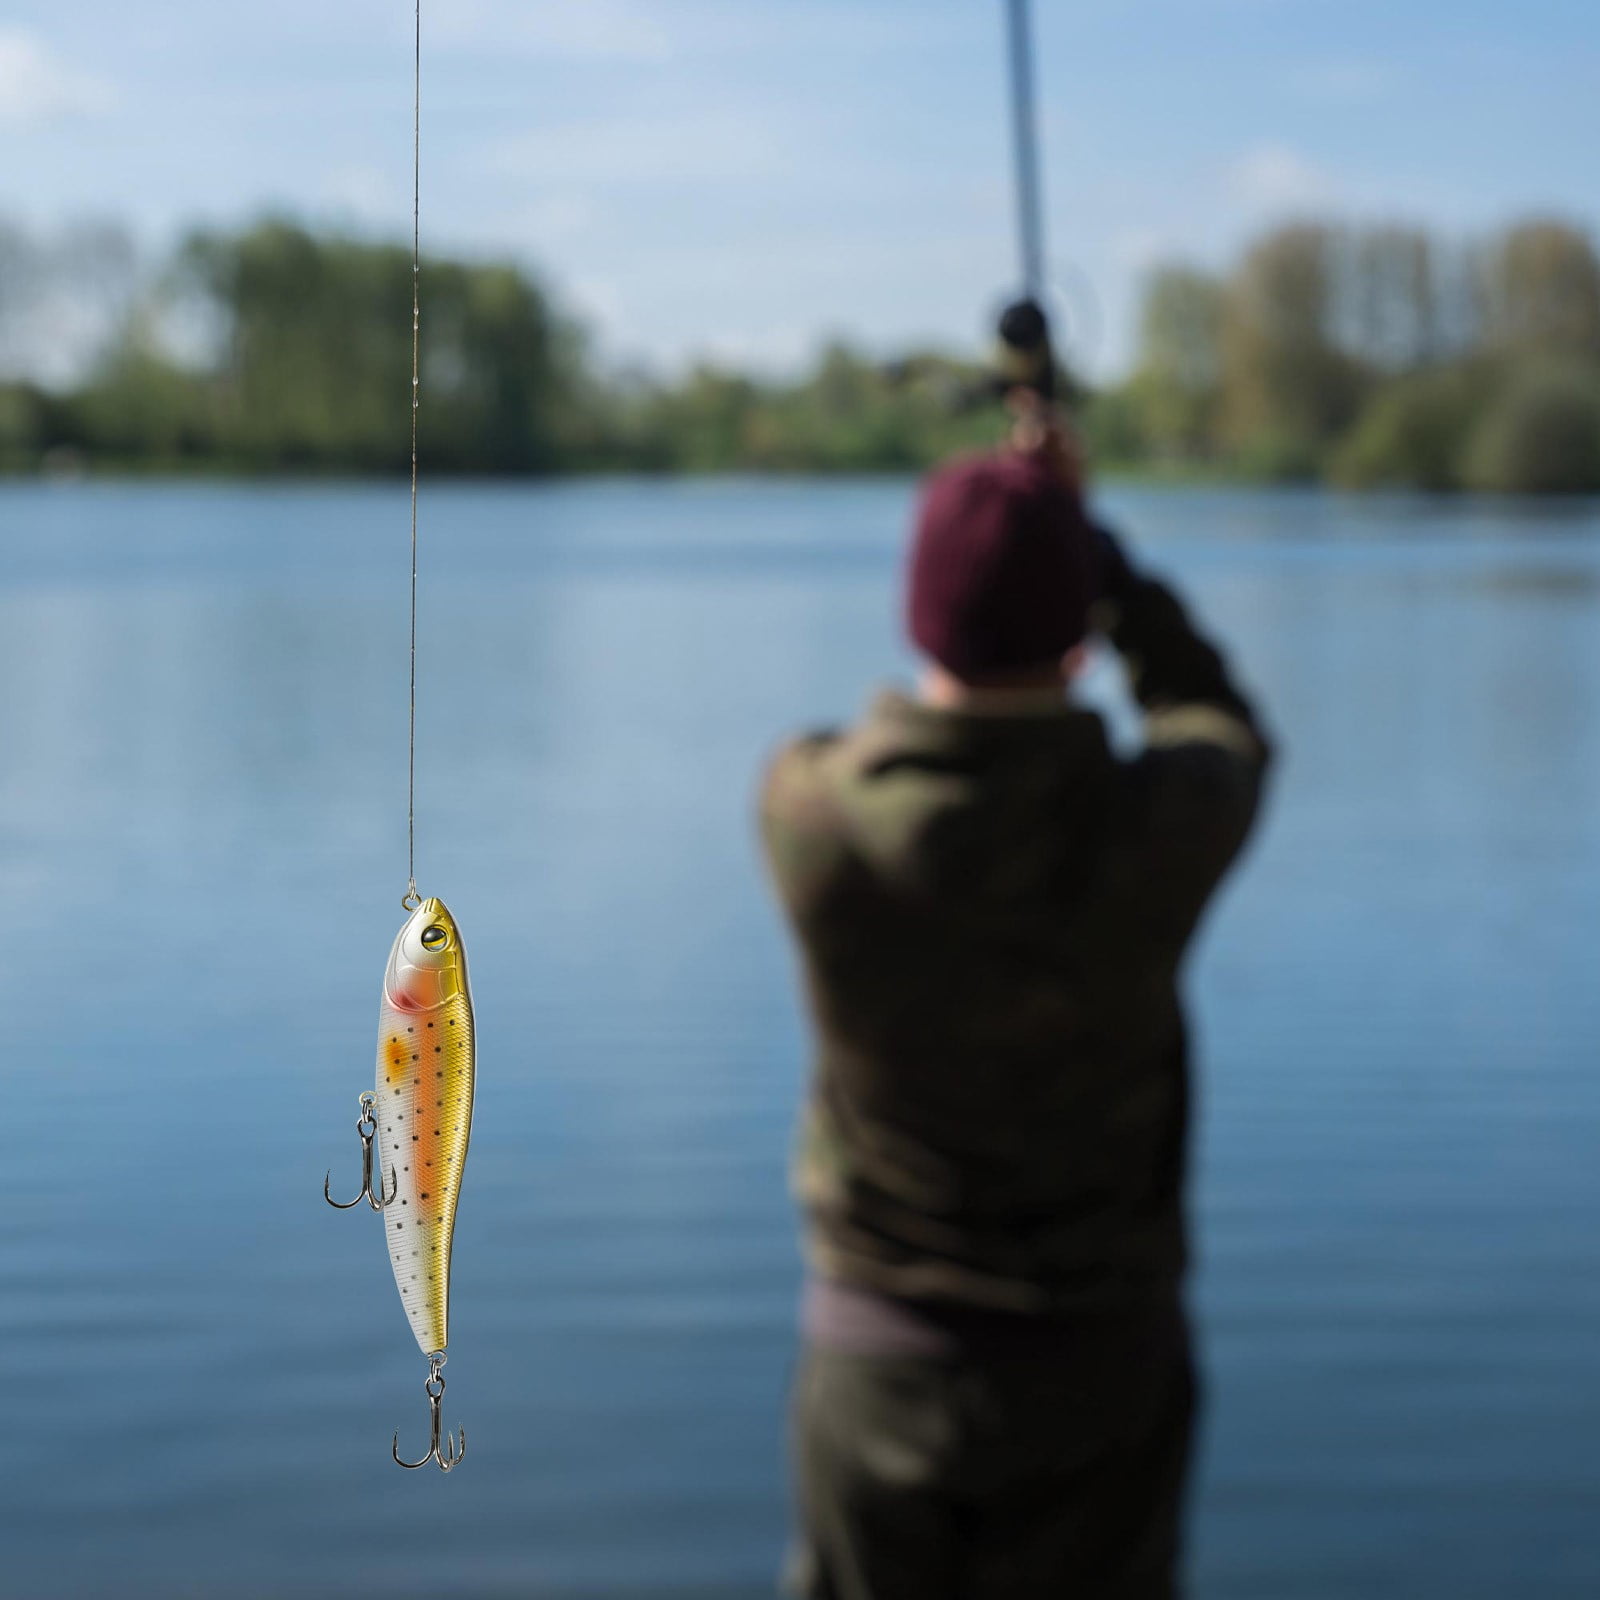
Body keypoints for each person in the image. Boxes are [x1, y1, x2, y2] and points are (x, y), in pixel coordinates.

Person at [758, 384, 1273, 1599]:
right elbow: (1220, 722)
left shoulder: (807, 813)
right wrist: (1095, 550)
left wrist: (1038, 545)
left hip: (876, 1359)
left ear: (919, 623)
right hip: (1101, 1367)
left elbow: (866, 742)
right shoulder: (1160, 824)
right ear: (1080, 635)